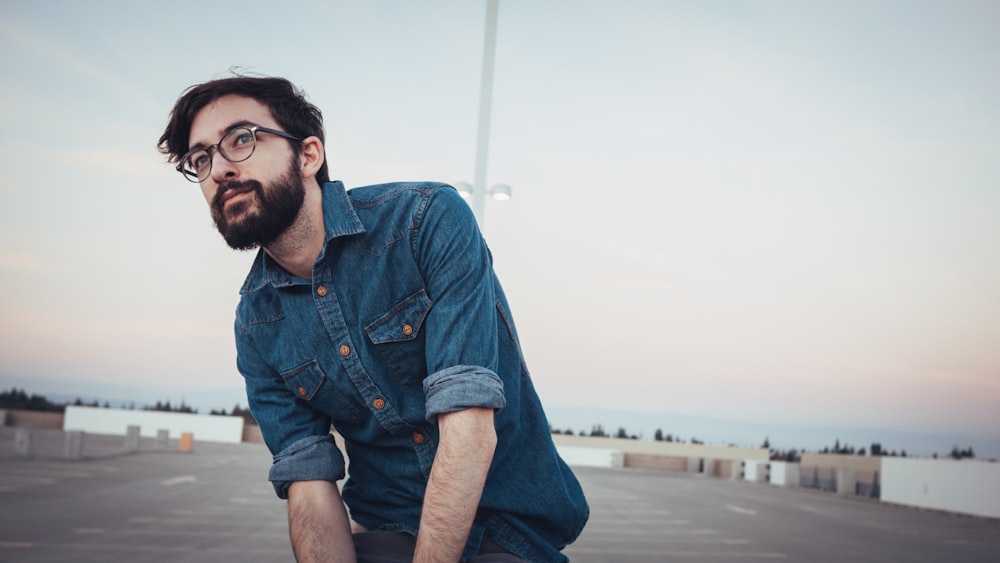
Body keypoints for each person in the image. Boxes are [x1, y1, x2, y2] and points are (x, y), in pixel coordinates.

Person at [158, 75, 588, 563]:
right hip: (386, 531)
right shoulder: (256, 324)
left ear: (308, 155)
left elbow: (468, 424)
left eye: (241, 140)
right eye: (201, 159)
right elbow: (308, 483)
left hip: (510, 532)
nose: (219, 170)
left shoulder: (424, 223)